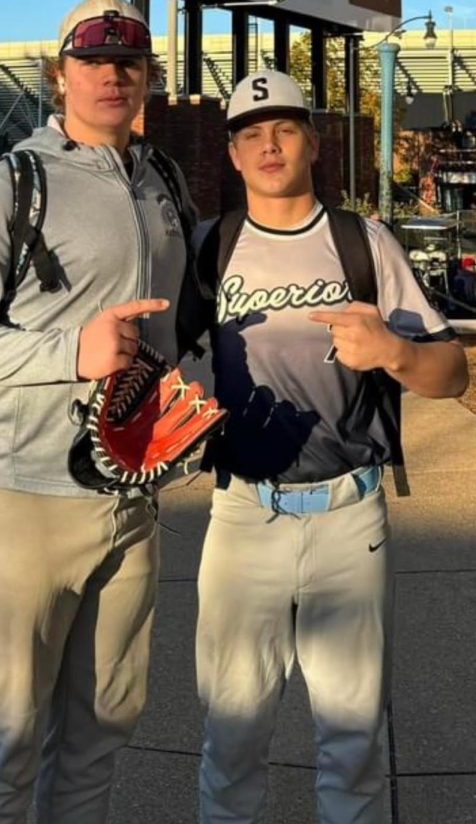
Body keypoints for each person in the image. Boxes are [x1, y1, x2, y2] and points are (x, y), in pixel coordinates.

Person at [0, 0, 197, 824]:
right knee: (4, 746)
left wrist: (185, 392)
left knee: (102, 733)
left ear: (147, 76)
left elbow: (175, 329)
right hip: (16, 502)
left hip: (126, 504)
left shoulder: (162, 182)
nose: (113, 74)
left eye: (129, 61)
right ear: (59, 73)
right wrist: (71, 353)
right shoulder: (14, 183)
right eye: (94, 59)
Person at [195, 69, 467, 824]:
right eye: (250, 133)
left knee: (352, 748)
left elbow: (451, 373)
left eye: (284, 128)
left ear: (313, 141)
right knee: (231, 738)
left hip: (350, 515)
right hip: (244, 515)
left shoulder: (361, 240)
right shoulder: (210, 246)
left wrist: (395, 353)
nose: (269, 144)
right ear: (234, 153)